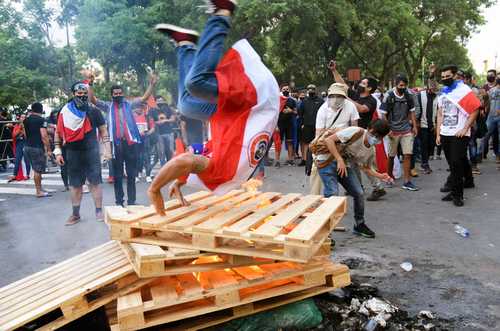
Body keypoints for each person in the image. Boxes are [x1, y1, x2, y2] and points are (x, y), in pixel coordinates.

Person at [149, 0, 281, 214]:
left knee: (186, 105)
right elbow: (186, 161)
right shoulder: (219, 173)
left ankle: (186, 46)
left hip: (235, 115)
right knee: (196, 82)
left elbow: (189, 162)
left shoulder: (221, 167)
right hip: (253, 102)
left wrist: (179, 182)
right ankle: (222, 13)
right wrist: (155, 189)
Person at [87, 73, 158, 206]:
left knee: (131, 175)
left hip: (129, 144)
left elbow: (144, 98)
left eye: (120, 93)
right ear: (112, 95)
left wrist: (152, 84)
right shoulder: (107, 106)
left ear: (122, 93)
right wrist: (90, 84)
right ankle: (119, 202)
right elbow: (93, 100)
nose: (118, 95)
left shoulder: (129, 104)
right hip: (115, 145)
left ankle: (132, 202)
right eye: (115, 93)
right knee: (118, 176)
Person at [315, 119, 392, 238]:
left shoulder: (371, 150)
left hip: (344, 166)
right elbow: (329, 140)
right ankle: (325, 233)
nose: (375, 138)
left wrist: (381, 176)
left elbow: (366, 168)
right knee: (332, 194)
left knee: (359, 193)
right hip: (326, 160)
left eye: (379, 137)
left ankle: (359, 225)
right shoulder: (356, 132)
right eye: (374, 134)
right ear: (370, 129)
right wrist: (339, 159)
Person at [54, 82, 112, 225]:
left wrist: (107, 150)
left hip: (91, 151)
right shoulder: (65, 111)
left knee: (95, 182)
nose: (82, 95)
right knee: (75, 184)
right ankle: (75, 214)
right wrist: (57, 151)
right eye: (79, 93)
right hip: (72, 152)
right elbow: (58, 132)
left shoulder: (94, 111)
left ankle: (99, 211)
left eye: (84, 93)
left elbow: (104, 130)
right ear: (73, 94)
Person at [436, 65, 481, 207]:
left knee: (456, 162)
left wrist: (465, 128)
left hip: (460, 134)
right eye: (442, 77)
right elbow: (440, 113)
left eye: (447, 76)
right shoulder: (442, 92)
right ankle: (454, 190)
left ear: (455, 75)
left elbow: (475, 109)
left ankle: (458, 195)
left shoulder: (463, 90)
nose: (445, 79)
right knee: (452, 164)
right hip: (445, 133)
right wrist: (438, 132)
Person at [380, 74, 419, 191]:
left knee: (407, 155)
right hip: (393, 130)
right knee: (392, 156)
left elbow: (412, 112)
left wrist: (415, 126)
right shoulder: (389, 96)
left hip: (406, 129)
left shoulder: (408, 95)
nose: (403, 87)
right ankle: (389, 177)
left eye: (405, 85)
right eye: (401, 85)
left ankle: (407, 181)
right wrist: (388, 130)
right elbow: (383, 114)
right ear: (396, 85)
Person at [23, 103, 52, 198]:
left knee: (36, 168)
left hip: (27, 146)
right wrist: (48, 149)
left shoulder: (26, 120)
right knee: (38, 170)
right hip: (37, 147)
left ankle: (40, 188)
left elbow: (25, 134)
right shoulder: (41, 120)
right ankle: (38, 191)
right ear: (41, 110)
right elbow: (44, 135)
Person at [416, 80, 439, 174]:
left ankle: (425, 161)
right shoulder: (420, 95)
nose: (432, 91)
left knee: (431, 145)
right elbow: (417, 109)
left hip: (433, 125)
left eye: (434, 89)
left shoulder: (438, 97)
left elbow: (439, 111)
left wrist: (437, 124)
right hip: (422, 124)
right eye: (431, 89)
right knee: (424, 145)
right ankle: (425, 164)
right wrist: (416, 122)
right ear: (427, 88)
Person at [298, 84, 323, 166]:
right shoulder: (304, 101)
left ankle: (317, 159)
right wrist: (302, 123)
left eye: (312, 89)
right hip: (307, 125)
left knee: (317, 142)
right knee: (305, 143)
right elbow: (300, 113)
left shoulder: (321, 101)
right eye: (309, 89)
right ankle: (304, 160)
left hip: (318, 126)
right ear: (307, 90)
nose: (311, 90)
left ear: (315, 90)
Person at [481, 72, 500, 165]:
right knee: (485, 135)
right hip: (491, 116)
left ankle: (498, 156)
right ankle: (480, 154)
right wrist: (483, 109)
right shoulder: (491, 90)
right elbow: (486, 100)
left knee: (497, 138)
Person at [276, 85, 297, 167]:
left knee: (289, 142)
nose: (285, 90)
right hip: (280, 124)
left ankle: (290, 159)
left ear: (289, 90)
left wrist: (290, 110)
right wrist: (276, 126)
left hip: (289, 124)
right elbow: (275, 113)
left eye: (287, 89)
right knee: (279, 142)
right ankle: (277, 160)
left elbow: (296, 112)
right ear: (281, 90)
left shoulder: (292, 100)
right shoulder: (278, 100)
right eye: (284, 89)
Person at [9, 114, 30, 182]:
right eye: (22, 117)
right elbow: (14, 135)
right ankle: (14, 174)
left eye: (24, 117)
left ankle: (27, 174)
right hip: (19, 143)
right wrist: (20, 129)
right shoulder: (17, 126)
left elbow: (27, 137)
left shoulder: (28, 126)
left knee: (27, 159)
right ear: (20, 118)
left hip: (26, 143)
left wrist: (23, 129)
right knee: (17, 159)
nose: (23, 118)